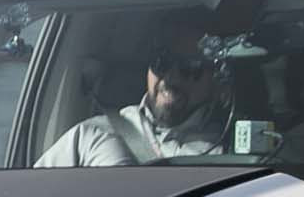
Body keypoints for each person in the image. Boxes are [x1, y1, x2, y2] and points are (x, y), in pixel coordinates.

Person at [36, 10, 230, 166]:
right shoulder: (92, 135)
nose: (171, 77)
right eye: (161, 62)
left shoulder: (234, 154)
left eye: (189, 67)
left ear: (217, 79)